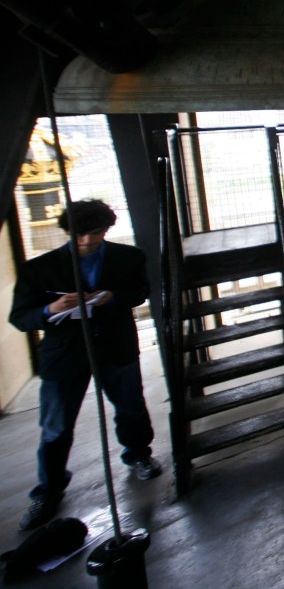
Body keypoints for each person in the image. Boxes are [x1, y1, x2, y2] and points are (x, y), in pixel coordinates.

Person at [8, 199, 162, 531]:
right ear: (67, 232)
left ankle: (138, 454)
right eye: (80, 235)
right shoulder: (40, 268)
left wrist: (113, 297)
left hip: (115, 344)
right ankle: (48, 489)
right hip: (64, 354)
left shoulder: (128, 257)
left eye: (95, 234)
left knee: (131, 406)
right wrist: (51, 309)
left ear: (107, 231)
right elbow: (20, 317)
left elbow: (140, 292)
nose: (87, 242)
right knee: (56, 425)